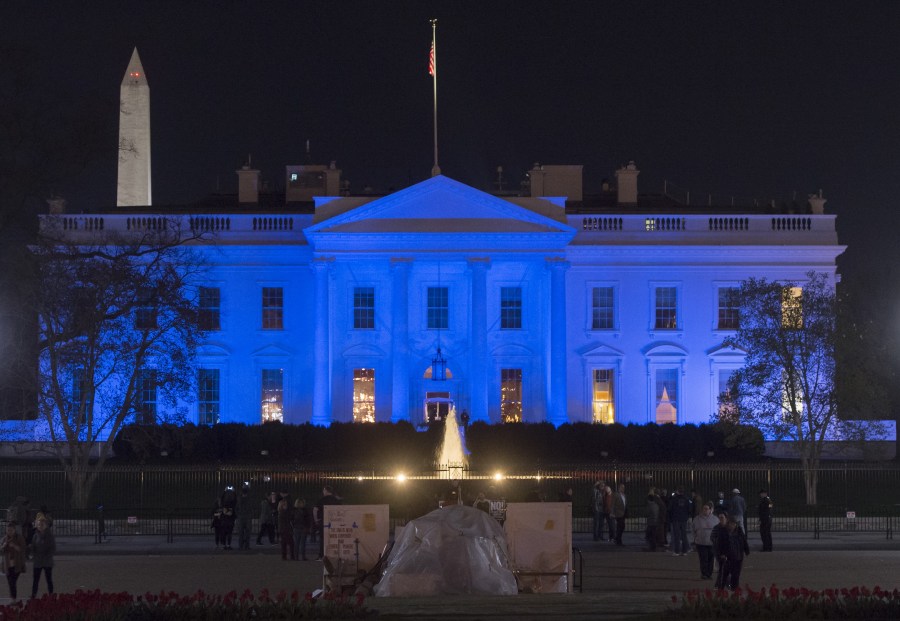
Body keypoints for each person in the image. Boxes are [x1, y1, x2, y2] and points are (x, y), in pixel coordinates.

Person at [718, 516, 750, 590]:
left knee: (736, 574)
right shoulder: (724, 531)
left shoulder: (739, 531)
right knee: (725, 573)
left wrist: (746, 550)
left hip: (738, 556)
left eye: (733, 524)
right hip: (728, 556)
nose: (732, 525)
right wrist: (722, 554)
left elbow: (743, 541)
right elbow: (720, 544)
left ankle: (734, 588)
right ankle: (722, 587)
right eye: (730, 524)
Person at [30, 513, 55, 599]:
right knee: (35, 580)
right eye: (39, 524)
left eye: (42, 524)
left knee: (49, 579)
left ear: (45, 525)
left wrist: (46, 555)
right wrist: (32, 553)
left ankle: (51, 595)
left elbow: (52, 548)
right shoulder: (35, 535)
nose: (40, 526)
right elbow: (33, 546)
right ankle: (33, 595)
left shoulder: (49, 535)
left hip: (47, 561)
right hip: (38, 561)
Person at [314, 485, 342, 560]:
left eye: (323, 490)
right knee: (334, 538)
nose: (323, 492)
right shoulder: (336, 500)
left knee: (322, 539)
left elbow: (315, 510)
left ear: (326, 491)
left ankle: (322, 555)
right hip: (335, 522)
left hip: (323, 522)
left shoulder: (321, 500)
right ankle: (333, 555)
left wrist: (316, 519)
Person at [692, 502, 718, 580]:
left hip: (711, 543)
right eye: (703, 509)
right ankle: (704, 574)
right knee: (703, 559)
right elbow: (693, 529)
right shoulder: (697, 519)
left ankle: (709, 574)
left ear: (710, 510)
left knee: (710, 559)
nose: (705, 510)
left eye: (707, 509)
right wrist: (696, 538)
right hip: (701, 543)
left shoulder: (715, 519)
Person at [2, 521, 27, 600]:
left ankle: (13, 599)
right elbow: (1, 550)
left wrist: (14, 546)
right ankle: (12, 598)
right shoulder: (4, 539)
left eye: (11, 530)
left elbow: (22, 549)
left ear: (14, 530)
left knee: (12, 582)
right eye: (8, 530)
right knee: (10, 583)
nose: (9, 532)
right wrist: (4, 545)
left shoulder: (19, 538)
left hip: (17, 565)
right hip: (7, 565)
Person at [668, 486, 691, 556]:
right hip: (684, 519)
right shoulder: (687, 499)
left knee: (676, 536)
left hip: (676, 519)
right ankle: (684, 551)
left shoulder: (674, 499)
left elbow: (670, 509)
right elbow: (689, 509)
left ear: (677, 491)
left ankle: (677, 551)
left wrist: (671, 518)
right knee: (684, 535)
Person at [710, 511, 729, 588]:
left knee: (726, 569)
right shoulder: (716, 528)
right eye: (719, 518)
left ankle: (722, 584)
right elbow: (712, 538)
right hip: (720, 552)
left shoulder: (729, 527)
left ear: (726, 518)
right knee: (722, 568)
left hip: (729, 551)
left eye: (722, 517)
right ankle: (720, 585)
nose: (720, 519)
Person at [235, 484, 254, 550]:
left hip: (242, 516)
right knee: (245, 532)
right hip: (245, 516)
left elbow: (237, 507)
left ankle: (242, 546)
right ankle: (245, 546)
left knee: (242, 533)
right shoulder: (248, 498)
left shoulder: (240, 498)